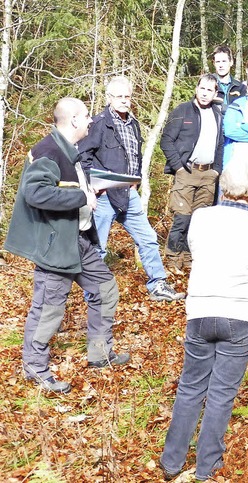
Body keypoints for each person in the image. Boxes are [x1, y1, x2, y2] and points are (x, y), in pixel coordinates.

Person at [159, 157, 248, 481]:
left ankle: (171, 462)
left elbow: (195, 250)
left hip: (201, 310)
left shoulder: (202, 217)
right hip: (243, 315)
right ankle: (207, 467)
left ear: (224, 184)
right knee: (221, 393)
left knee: (190, 387)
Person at [4, 98, 129, 394]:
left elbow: (66, 186)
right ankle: (35, 368)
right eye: (86, 116)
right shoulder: (48, 151)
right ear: (73, 119)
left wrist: (92, 187)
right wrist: (82, 198)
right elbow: (35, 193)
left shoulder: (68, 149)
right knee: (48, 309)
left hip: (80, 240)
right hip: (56, 245)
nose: (91, 121)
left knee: (105, 289)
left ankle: (100, 353)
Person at [78, 76, 184, 302]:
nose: (124, 101)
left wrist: (136, 182)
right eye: (119, 96)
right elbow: (82, 157)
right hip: (105, 196)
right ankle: (93, 296)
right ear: (109, 98)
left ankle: (158, 284)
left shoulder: (133, 123)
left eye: (127, 96)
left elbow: (134, 157)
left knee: (148, 239)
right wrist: (93, 187)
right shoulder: (99, 124)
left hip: (128, 194)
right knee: (98, 248)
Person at [160, 73, 224, 274]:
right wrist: (178, 167)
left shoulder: (217, 114)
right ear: (196, 89)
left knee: (198, 221)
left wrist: (216, 171)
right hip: (187, 172)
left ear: (215, 93)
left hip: (208, 175)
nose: (205, 93)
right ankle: (172, 258)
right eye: (202, 88)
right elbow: (166, 141)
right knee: (182, 218)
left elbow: (220, 145)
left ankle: (188, 258)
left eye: (210, 90)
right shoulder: (183, 111)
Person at [212, 45, 247, 113]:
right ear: (214, 64)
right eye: (218, 62)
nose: (221, 65)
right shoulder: (207, 86)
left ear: (231, 62)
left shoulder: (241, 88)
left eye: (224, 61)